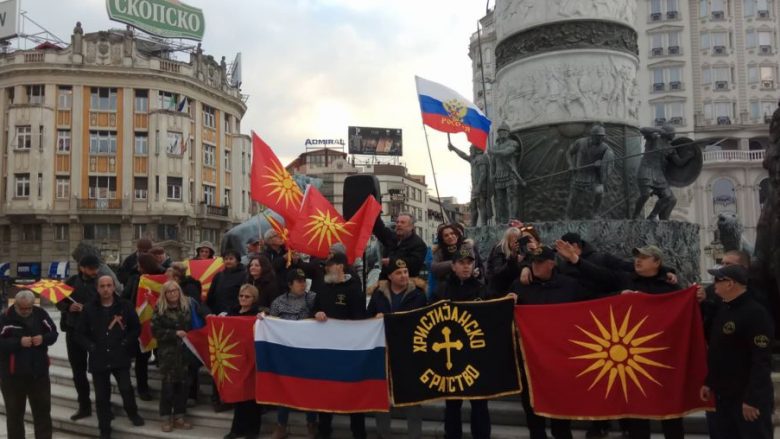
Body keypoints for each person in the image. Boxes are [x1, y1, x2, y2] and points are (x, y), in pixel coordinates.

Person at [556, 242, 685, 439]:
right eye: (636, 257)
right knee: (637, 413)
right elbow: (600, 275)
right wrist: (576, 260)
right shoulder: (626, 280)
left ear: (657, 262)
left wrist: (699, 298)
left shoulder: (670, 286)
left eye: (643, 257)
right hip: (632, 358)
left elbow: (684, 312)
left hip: (661, 358)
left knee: (670, 414)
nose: (637, 261)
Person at [508, 247, 592, 439]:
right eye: (533, 262)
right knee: (531, 407)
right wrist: (507, 302)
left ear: (552, 263)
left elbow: (591, 308)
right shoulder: (520, 285)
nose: (535, 266)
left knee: (561, 410)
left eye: (539, 262)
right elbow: (499, 304)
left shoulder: (570, 285)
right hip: (530, 360)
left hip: (560, 358)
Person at [700, 264, 774, 439]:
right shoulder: (724, 309)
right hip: (722, 394)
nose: (713, 284)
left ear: (730, 284)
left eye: (717, 280)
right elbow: (718, 352)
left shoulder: (756, 313)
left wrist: (753, 399)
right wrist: (709, 382)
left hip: (745, 397)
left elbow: (761, 360)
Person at [430, 247, 491, 439]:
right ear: (453, 266)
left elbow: (493, 317)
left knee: (479, 403)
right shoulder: (441, 290)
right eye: (462, 263)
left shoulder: (483, 289)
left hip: (475, 357)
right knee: (452, 404)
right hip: (451, 357)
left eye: (469, 263)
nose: (466, 267)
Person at [76, 275, 145, 439]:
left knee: (126, 388)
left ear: (114, 287)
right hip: (98, 357)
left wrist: (126, 343)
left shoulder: (125, 306)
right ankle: (104, 428)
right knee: (101, 396)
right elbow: (79, 334)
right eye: (102, 286)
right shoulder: (88, 308)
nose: (106, 289)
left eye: (109, 285)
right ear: (97, 288)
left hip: (119, 355)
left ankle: (132, 413)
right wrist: (91, 347)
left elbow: (136, 328)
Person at [367, 257, 427, 439]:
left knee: (412, 398)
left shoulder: (418, 295)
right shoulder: (378, 295)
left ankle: (415, 436)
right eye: (399, 273)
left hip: (410, 353)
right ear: (390, 276)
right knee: (383, 398)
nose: (404, 276)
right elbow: (366, 320)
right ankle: (383, 434)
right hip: (384, 352)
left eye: (406, 272)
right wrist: (374, 319)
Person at [313, 252, 367, 439]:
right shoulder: (323, 286)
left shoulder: (354, 288)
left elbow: (359, 317)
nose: (327, 268)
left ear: (341, 267)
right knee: (325, 390)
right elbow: (315, 308)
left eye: (330, 265)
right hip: (327, 348)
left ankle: (358, 432)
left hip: (348, 349)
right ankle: (324, 430)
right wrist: (317, 312)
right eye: (326, 266)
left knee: (353, 391)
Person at [266, 268, 319, 438]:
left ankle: (312, 423)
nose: (303, 284)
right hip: (285, 353)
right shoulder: (278, 302)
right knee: (285, 387)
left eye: (304, 281)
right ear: (290, 284)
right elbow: (271, 323)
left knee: (309, 388)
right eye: (298, 281)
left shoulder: (313, 298)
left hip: (307, 351)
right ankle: (281, 425)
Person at [0, 290, 58, 439]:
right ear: (16, 304)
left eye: (29, 308)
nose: (26, 311)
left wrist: (43, 338)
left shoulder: (40, 313)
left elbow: (53, 333)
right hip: (12, 376)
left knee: (43, 413)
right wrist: (18, 343)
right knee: (14, 415)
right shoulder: (5, 318)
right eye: (22, 308)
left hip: (39, 374)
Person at [59, 254, 101, 421]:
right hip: (74, 331)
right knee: (78, 372)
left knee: (99, 370)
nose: (94, 271)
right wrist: (69, 307)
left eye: (96, 268)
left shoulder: (101, 282)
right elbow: (59, 301)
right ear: (82, 268)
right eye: (91, 269)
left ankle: (103, 405)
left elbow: (109, 301)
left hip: (95, 333)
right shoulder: (71, 282)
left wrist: (89, 308)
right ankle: (84, 406)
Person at [151, 281, 197, 432]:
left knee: (183, 387)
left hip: (184, 354)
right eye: (169, 291)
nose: (172, 294)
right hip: (167, 355)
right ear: (165, 294)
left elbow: (194, 325)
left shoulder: (186, 307)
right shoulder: (159, 309)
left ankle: (179, 416)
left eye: (175, 291)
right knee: (168, 388)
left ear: (179, 292)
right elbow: (155, 331)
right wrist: (173, 334)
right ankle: (166, 417)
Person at [123, 253, 166, 401]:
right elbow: (126, 296)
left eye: (140, 265)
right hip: (141, 320)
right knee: (142, 356)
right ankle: (142, 388)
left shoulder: (164, 277)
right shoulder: (135, 278)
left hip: (162, 322)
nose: (138, 268)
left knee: (161, 353)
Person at [224, 284, 264, 439]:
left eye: (247, 296)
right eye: (241, 295)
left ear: (254, 299)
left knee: (252, 397)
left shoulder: (258, 314)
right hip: (235, 359)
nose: (243, 299)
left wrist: (262, 319)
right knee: (238, 395)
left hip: (252, 359)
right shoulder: (231, 312)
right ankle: (236, 429)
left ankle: (252, 431)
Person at [565, 124, 614, 219]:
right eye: (599, 137)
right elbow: (568, 153)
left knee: (599, 192)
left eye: (602, 137)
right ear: (593, 136)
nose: (601, 139)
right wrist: (571, 165)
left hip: (593, 175)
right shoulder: (580, 142)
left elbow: (609, 162)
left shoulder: (605, 148)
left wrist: (602, 163)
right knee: (573, 198)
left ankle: (595, 213)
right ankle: (567, 216)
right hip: (580, 174)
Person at [448, 143, 492, 226]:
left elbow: (483, 173)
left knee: (481, 205)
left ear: (476, 150)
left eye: (471, 149)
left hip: (481, 186)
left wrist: (479, 186)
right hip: (474, 187)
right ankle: (473, 225)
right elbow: (463, 155)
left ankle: (483, 225)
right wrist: (454, 148)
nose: (470, 151)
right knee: (473, 206)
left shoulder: (482, 158)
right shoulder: (473, 159)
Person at [373, 212, 428, 278]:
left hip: (406, 284)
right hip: (385, 282)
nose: (399, 224)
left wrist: (392, 262)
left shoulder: (419, 244)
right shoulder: (391, 237)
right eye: (397, 222)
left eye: (402, 222)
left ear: (411, 227)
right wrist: (374, 212)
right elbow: (379, 229)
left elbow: (413, 264)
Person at [492, 121, 524, 224]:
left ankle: (512, 218)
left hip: (511, 174)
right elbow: (493, 163)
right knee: (500, 200)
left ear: (508, 132)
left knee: (511, 197)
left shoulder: (513, 143)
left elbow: (507, 152)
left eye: (504, 131)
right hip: (498, 175)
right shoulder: (495, 146)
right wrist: (492, 174)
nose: (501, 133)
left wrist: (494, 152)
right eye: (500, 131)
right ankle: (501, 219)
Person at [486, 227, 523, 298]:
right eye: (514, 240)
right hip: (498, 290)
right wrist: (513, 257)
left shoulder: (521, 251)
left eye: (518, 239)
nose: (517, 243)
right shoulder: (499, 249)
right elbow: (498, 272)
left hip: (514, 288)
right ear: (508, 240)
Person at [207, 250, 247, 316]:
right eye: (226, 259)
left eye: (231, 259)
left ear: (237, 260)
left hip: (235, 314)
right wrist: (209, 311)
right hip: (217, 314)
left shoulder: (244, 275)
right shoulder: (218, 276)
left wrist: (229, 312)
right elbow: (210, 296)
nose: (228, 261)